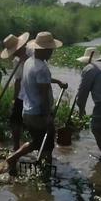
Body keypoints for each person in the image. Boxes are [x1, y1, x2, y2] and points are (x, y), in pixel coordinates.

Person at [6, 32, 67, 174]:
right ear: (44, 50)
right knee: (43, 142)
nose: (52, 52)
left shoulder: (29, 62)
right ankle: (15, 158)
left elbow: (37, 83)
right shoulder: (42, 68)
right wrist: (48, 115)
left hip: (27, 111)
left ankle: (43, 166)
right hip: (38, 112)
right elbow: (44, 94)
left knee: (41, 141)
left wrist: (57, 81)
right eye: (50, 49)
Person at [0, 32, 30, 149]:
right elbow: (17, 80)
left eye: (14, 51)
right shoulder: (16, 60)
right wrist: (14, 98)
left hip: (33, 94)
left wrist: (26, 60)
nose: (13, 54)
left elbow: (39, 70)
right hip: (22, 95)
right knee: (14, 119)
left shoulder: (32, 52)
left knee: (34, 123)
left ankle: (37, 148)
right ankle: (16, 146)